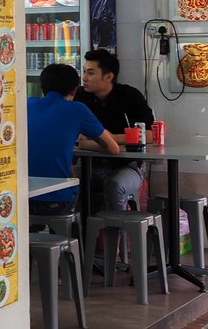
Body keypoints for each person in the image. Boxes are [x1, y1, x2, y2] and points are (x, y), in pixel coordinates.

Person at [26, 63, 119, 216]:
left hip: (23, 199)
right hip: (57, 201)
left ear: (42, 86)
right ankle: (81, 236)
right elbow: (113, 148)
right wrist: (86, 144)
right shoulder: (77, 109)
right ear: (74, 90)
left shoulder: (27, 104)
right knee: (82, 186)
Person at [74, 48, 154, 211]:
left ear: (109, 76)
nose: (84, 78)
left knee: (114, 185)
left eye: (90, 73)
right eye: (84, 72)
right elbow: (77, 137)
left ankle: (116, 234)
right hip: (90, 164)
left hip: (127, 166)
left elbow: (149, 135)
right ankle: (79, 234)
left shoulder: (129, 95)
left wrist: (111, 139)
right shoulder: (80, 96)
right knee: (69, 183)